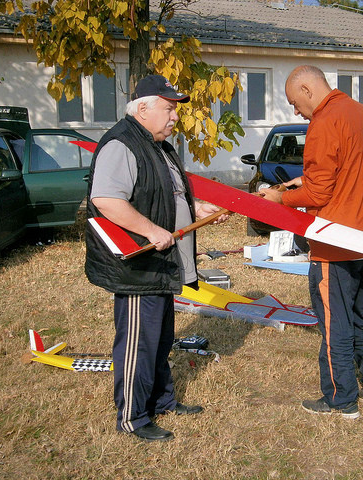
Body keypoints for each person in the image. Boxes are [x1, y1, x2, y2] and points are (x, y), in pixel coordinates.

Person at [85, 74, 227, 442]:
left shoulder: (156, 143)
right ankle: (133, 417)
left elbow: (169, 195)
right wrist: (150, 231)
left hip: (160, 266)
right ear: (143, 108)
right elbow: (106, 200)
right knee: (138, 343)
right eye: (168, 108)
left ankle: (162, 401)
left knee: (161, 339)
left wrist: (203, 208)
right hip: (138, 265)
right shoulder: (122, 143)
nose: (175, 116)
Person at [261, 65, 363, 419]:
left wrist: (278, 199)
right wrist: (298, 184)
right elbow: (342, 171)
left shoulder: (323, 122)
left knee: (335, 319)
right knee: (362, 311)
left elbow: (320, 190)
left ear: (307, 89)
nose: (295, 111)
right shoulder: (359, 112)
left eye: (294, 102)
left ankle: (341, 398)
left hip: (336, 240)